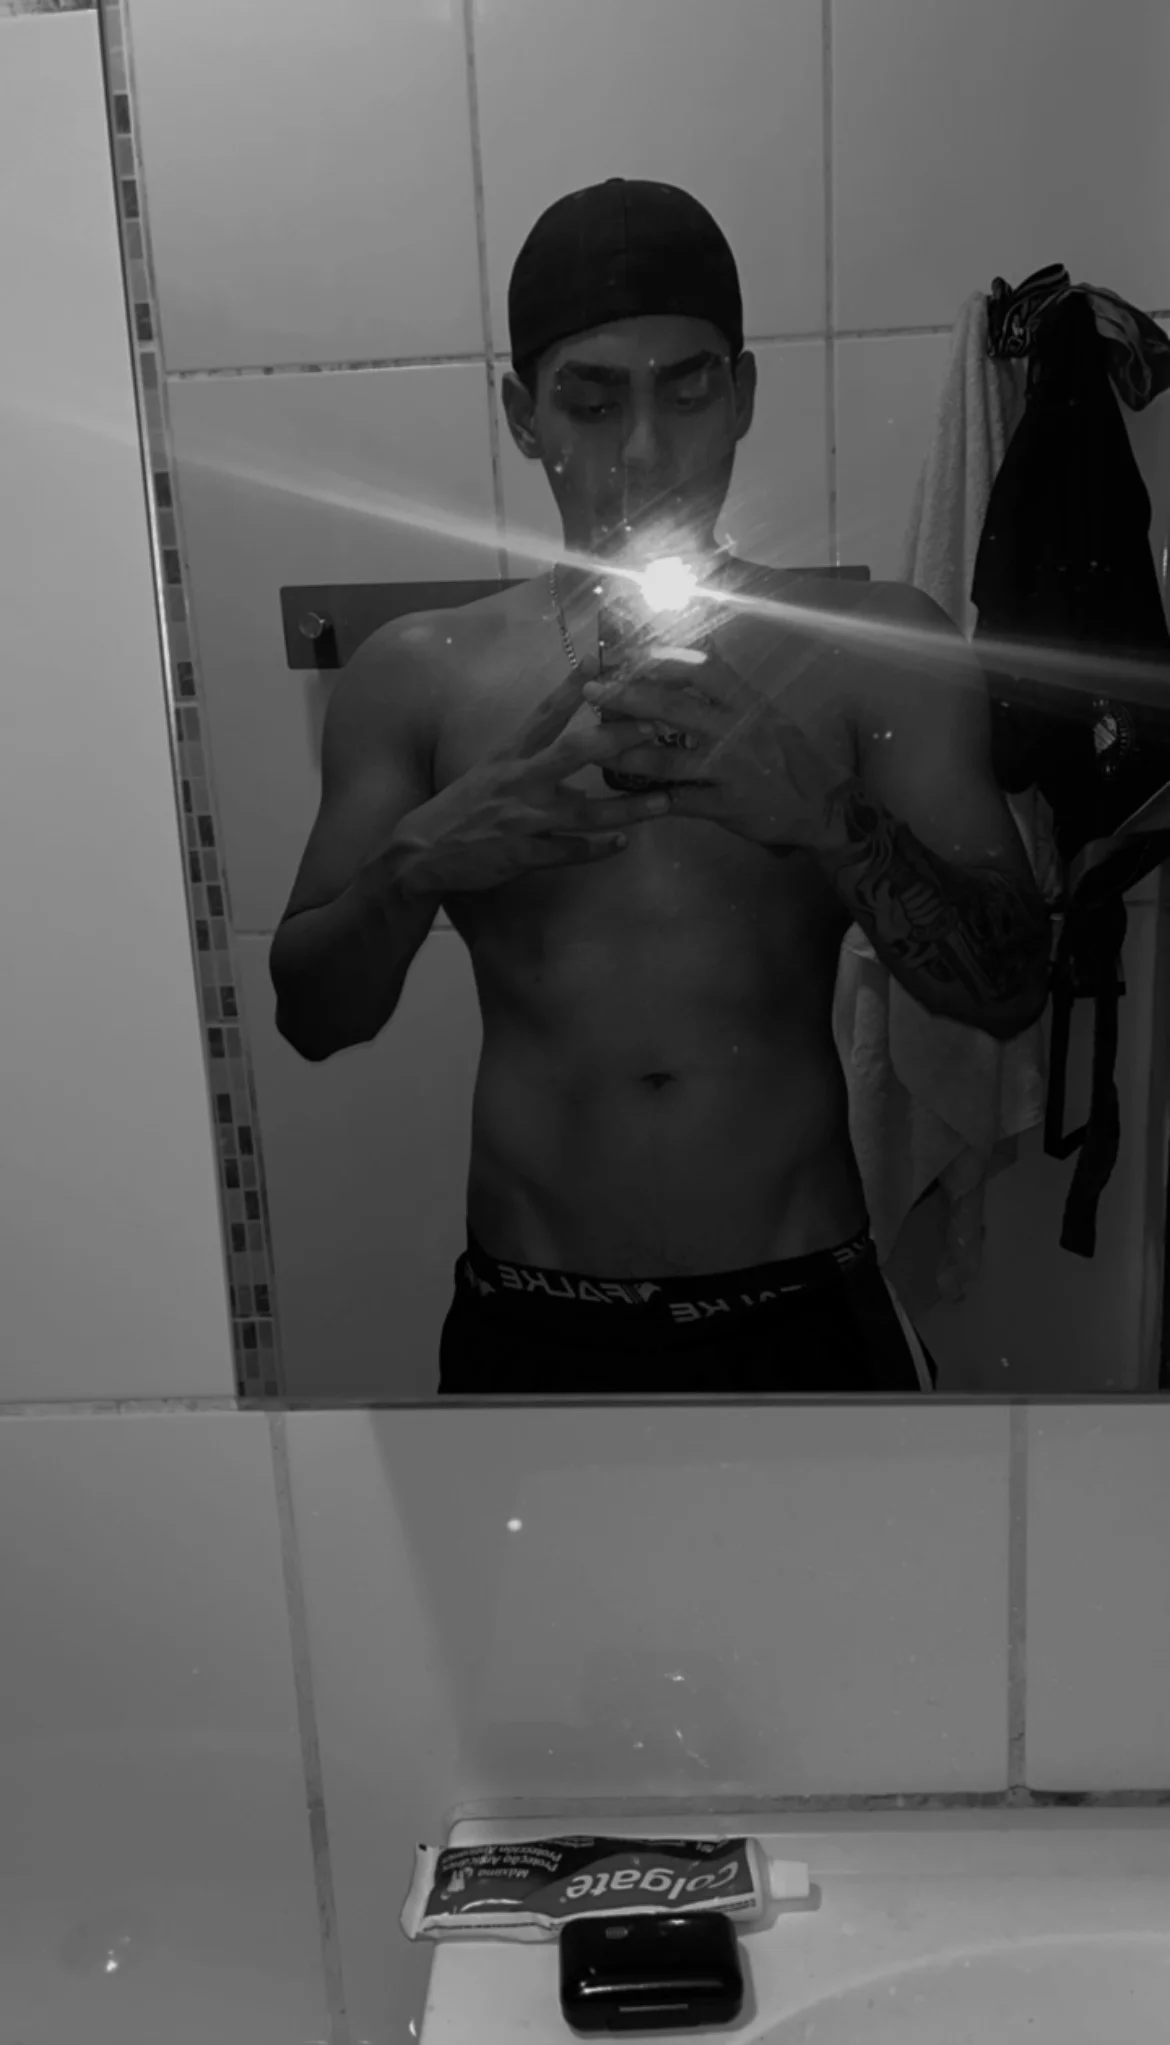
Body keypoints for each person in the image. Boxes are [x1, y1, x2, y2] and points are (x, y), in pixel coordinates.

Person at [270, 178, 1052, 1397]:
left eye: (686, 392)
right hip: (533, 1319)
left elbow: (1010, 989)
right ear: (523, 415)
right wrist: (424, 860)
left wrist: (826, 817)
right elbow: (312, 1016)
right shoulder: (418, 675)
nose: (642, 452)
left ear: (741, 395)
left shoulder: (876, 649)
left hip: (801, 1309)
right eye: (591, 401)